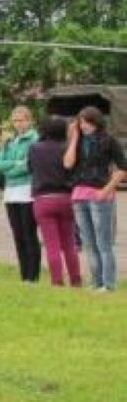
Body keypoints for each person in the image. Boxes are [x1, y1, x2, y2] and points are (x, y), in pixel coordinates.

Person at [63, 106, 126, 292]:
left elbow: (122, 168)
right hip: (79, 195)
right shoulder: (78, 140)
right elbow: (67, 164)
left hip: (100, 195)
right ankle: (96, 282)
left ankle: (109, 284)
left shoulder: (109, 141)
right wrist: (74, 138)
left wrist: (106, 190)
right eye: (81, 122)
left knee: (103, 242)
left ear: (97, 122)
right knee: (88, 242)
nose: (84, 126)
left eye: (88, 122)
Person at [28, 117, 81, 287]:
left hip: (43, 198)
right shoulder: (67, 148)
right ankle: (76, 280)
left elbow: (30, 168)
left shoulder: (35, 148)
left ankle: (57, 281)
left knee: (52, 244)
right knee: (69, 243)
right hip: (66, 197)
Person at [0, 107, 41, 282]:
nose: (18, 124)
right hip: (11, 193)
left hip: (27, 192)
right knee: (18, 235)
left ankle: (33, 275)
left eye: (21, 120)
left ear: (30, 121)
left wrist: (11, 167)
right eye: (15, 120)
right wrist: (14, 165)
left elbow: (28, 165)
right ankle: (24, 275)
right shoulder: (10, 141)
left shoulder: (34, 139)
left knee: (29, 234)